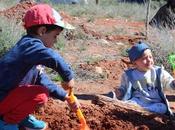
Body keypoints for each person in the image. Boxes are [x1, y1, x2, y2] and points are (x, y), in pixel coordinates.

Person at [0, 4, 79, 130]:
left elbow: (42, 80)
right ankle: (6, 121)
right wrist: (67, 76)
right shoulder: (29, 45)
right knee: (40, 95)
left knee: (39, 89)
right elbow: (53, 57)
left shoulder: (32, 53)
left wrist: (65, 96)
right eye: (55, 36)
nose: (56, 41)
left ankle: (18, 116)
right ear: (42, 31)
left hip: (9, 99)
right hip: (2, 99)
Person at [106, 41, 175, 116]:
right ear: (135, 63)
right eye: (144, 58)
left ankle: (144, 111)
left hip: (155, 102)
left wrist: (173, 83)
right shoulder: (129, 75)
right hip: (138, 101)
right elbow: (124, 89)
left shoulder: (159, 72)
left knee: (163, 107)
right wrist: (119, 92)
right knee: (130, 103)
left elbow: (168, 83)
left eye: (150, 57)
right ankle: (134, 109)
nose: (149, 60)